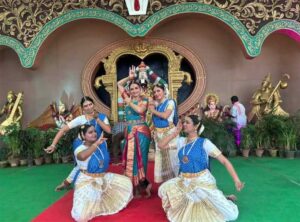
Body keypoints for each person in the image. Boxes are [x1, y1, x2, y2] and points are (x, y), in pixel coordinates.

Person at [158, 115, 244, 222]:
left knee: (231, 215)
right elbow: (161, 145)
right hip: (184, 180)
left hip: (201, 181)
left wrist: (236, 180)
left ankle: (222, 198)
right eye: (184, 122)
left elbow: (224, 161)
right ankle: (221, 196)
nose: (184, 124)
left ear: (196, 126)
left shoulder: (204, 143)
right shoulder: (181, 141)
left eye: (187, 122)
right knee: (163, 189)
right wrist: (175, 132)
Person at [44, 96, 111, 191]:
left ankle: (94, 186)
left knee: (100, 165)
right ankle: (73, 184)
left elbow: (108, 130)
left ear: (94, 104)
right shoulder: (81, 119)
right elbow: (63, 129)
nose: (89, 107)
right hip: (85, 146)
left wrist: (97, 119)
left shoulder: (102, 117)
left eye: (90, 104)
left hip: (100, 145)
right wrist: (53, 144)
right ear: (82, 108)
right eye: (86, 106)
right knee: (81, 166)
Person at [71, 124, 132, 221]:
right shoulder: (80, 148)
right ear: (83, 135)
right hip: (87, 181)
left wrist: (98, 144)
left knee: (126, 183)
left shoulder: (101, 145)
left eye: (95, 131)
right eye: (90, 132)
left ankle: (98, 200)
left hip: (102, 178)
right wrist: (96, 144)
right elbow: (82, 156)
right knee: (81, 217)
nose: (94, 134)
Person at [117, 71, 152, 198]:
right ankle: (135, 186)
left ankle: (140, 184)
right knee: (130, 158)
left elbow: (139, 110)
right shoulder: (128, 97)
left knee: (140, 158)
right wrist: (129, 77)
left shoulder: (145, 100)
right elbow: (119, 84)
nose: (134, 90)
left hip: (141, 131)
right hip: (130, 131)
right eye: (131, 89)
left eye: (136, 88)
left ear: (141, 88)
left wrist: (128, 100)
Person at [148, 84, 179, 183]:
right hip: (159, 135)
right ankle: (166, 184)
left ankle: (175, 182)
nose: (156, 93)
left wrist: (152, 110)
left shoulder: (170, 102)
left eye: (158, 91)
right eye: (154, 92)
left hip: (169, 134)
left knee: (171, 159)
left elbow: (166, 115)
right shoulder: (157, 105)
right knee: (161, 160)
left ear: (164, 91)